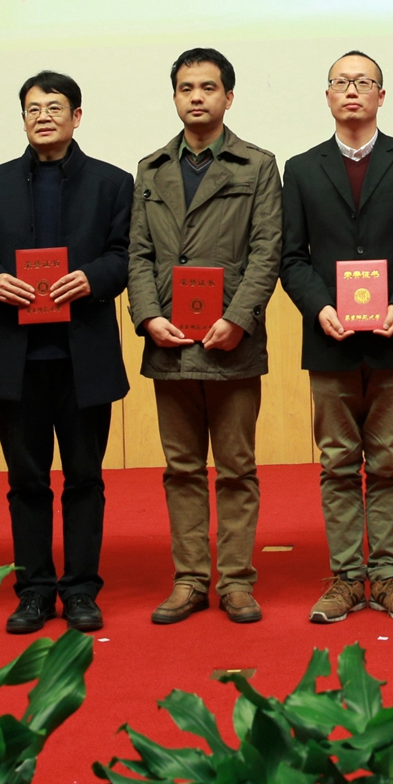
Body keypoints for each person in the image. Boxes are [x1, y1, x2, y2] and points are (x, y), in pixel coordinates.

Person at [280, 52, 393, 625]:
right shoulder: (302, 168)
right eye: (341, 82)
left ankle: (388, 575)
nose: (352, 90)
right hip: (331, 337)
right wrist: (319, 307)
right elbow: (290, 257)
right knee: (337, 463)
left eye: (364, 82)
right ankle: (348, 579)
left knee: (390, 460)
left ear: (381, 94)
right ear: (328, 95)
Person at [0, 72, 133, 636]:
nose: (43, 116)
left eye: (55, 107)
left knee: (85, 478)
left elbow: (125, 255)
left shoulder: (112, 183)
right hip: (17, 358)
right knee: (26, 481)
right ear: (22, 118)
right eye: (33, 108)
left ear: (76, 116)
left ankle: (81, 589)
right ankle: (34, 591)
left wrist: (93, 277)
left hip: (83, 356)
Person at [128, 48, 282, 625]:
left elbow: (267, 250)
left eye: (208, 87)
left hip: (232, 342)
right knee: (182, 468)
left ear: (228, 97)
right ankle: (190, 579)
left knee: (237, 467)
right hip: (169, 340)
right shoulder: (150, 169)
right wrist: (148, 316)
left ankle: (237, 581)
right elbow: (137, 254)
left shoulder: (257, 165)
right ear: (174, 97)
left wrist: (238, 318)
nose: (196, 96)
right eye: (186, 87)